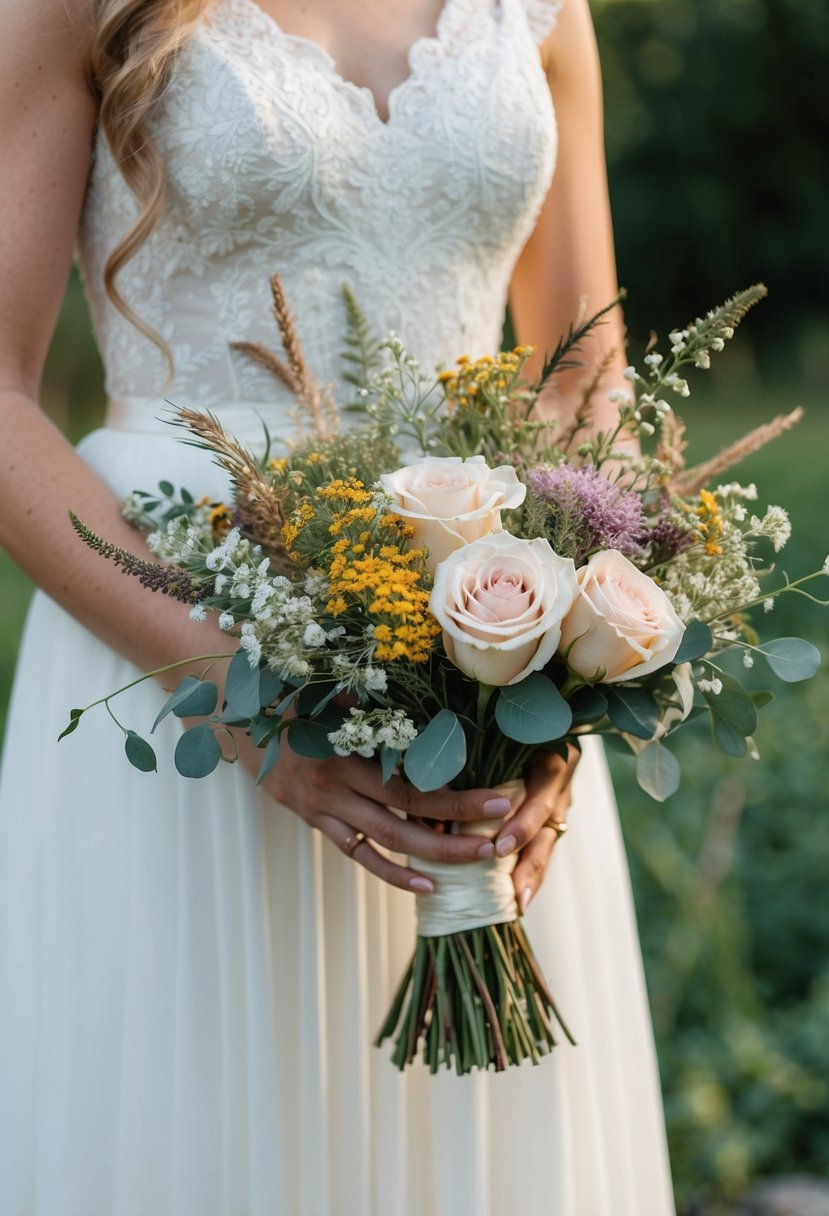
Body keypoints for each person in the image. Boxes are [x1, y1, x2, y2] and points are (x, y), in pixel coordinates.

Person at [0, 0, 676, 1211]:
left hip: (490, 651)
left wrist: (569, 673)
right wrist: (238, 700)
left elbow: (582, 379)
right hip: (181, 638)